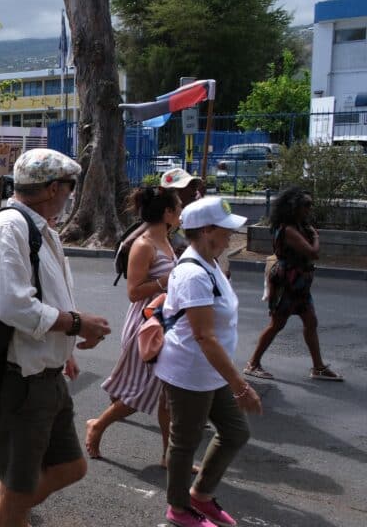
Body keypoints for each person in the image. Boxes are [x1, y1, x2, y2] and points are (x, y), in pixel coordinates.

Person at [0, 149, 111, 527]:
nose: (71, 195)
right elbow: (12, 306)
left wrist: (64, 347)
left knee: (70, 466)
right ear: (52, 188)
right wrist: (76, 325)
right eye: (69, 186)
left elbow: (47, 294)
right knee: (19, 493)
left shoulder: (40, 227)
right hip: (22, 380)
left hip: (46, 374)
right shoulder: (10, 227)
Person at [154, 196, 261, 527]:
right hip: (189, 372)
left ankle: (199, 496)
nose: (231, 236)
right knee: (185, 443)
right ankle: (178, 508)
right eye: (226, 230)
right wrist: (240, 386)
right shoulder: (193, 273)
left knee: (235, 432)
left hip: (209, 371)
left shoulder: (210, 262)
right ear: (205, 231)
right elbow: (204, 336)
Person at [86, 187, 182, 465]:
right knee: (142, 392)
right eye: (178, 208)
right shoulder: (144, 245)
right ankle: (98, 425)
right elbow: (133, 291)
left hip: (164, 321)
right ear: (167, 213)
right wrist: (170, 279)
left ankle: (170, 455)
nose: (181, 212)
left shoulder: (166, 240)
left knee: (165, 392)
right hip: (146, 324)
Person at [245, 187, 342, 382]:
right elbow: (312, 252)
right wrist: (316, 238)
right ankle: (252, 364)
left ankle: (318, 367)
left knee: (311, 321)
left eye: (310, 205)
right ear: (293, 207)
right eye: (306, 205)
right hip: (287, 282)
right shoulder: (288, 229)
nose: (309, 209)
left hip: (299, 284)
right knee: (277, 324)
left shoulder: (300, 225)